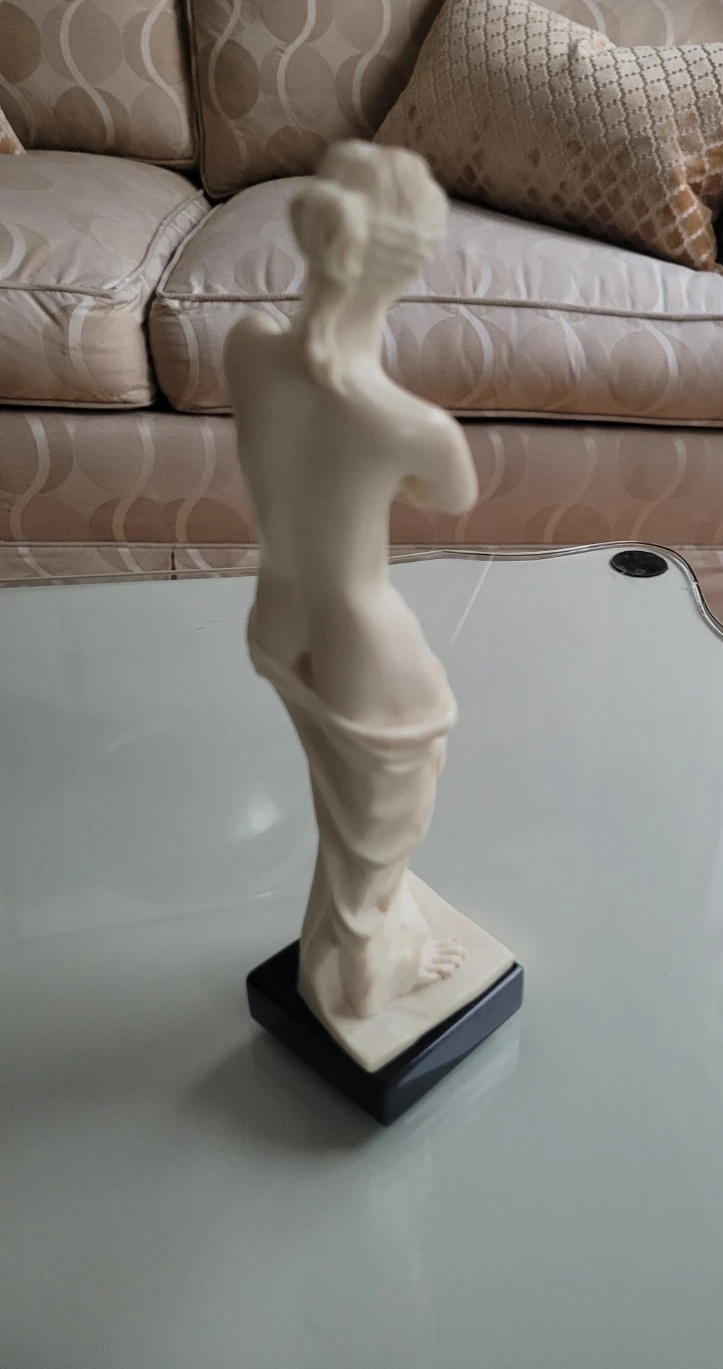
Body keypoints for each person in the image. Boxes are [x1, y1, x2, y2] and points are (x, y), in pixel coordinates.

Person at [224, 142, 479, 1034]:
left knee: (346, 815)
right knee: (384, 822)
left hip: (275, 623)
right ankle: (368, 969)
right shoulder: (412, 426)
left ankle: (338, 950)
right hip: (361, 645)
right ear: (408, 264)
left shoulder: (247, 348)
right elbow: (451, 495)